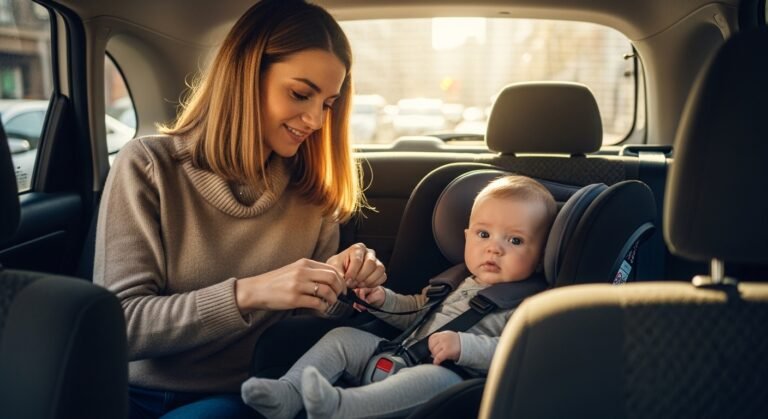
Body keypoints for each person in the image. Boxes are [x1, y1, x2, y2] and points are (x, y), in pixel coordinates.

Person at [92, 1, 386, 417]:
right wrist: (250, 293)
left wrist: (345, 283)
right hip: (126, 392)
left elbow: (310, 326)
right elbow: (120, 326)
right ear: (246, 76)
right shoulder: (148, 165)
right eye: (301, 94)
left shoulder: (312, 192)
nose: (316, 120)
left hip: (242, 395)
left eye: (328, 103)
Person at [241, 175, 558, 419]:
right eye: (483, 234)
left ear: (542, 253)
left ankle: (339, 409)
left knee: (433, 380)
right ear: (466, 236)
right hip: (398, 352)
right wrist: (382, 300)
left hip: (451, 378)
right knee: (342, 337)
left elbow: (518, 354)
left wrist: (465, 347)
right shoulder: (455, 282)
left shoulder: (529, 305)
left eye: (515, 240)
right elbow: (416, 311)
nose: (494, 247)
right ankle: (288, 393)